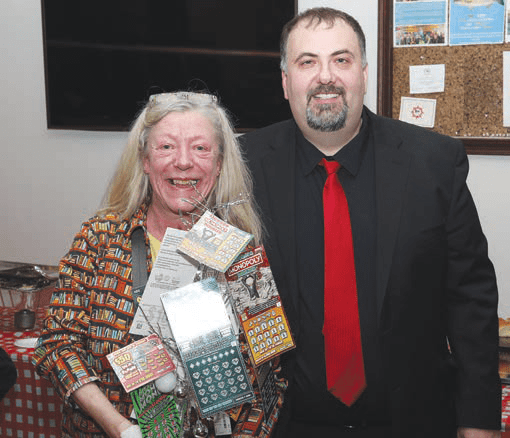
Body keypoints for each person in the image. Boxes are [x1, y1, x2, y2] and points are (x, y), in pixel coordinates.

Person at [240, 7, 501, 438]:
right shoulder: (242, 168)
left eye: (341, 60)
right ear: (286, 82)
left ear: (363, 74)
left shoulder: (433, 163)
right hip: (285, 425)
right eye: (307, 62)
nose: (326, 76)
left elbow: (471, 297)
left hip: (414, 423)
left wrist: (478, 418)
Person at [32, 91, 264, 438]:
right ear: (144, 160)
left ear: (218, 164)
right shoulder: (100, 239)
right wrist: (120, 429)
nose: (183, 162)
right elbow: (57, 344)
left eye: (200, 148)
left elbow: (268, 378)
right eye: (166, 146)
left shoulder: (241, 255)